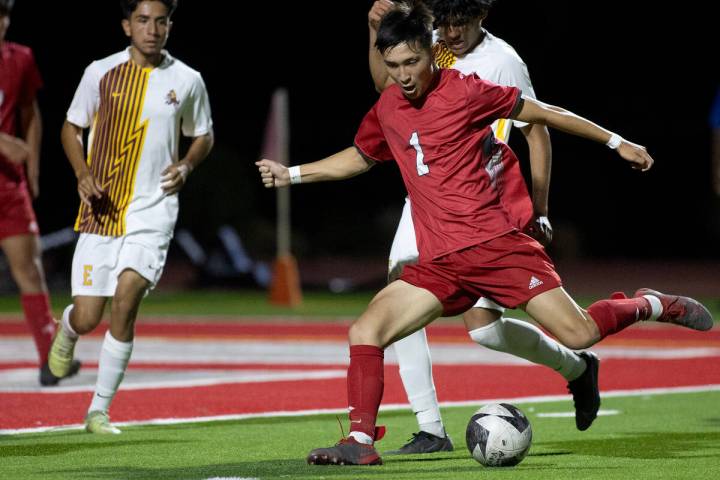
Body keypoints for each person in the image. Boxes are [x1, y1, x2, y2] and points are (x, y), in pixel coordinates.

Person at [256, 1, 714, 466]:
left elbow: (544, 116)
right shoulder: (388, 105)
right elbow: (360, 156)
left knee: (578, 333)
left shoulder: (468, 90)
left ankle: (650, 303)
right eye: (393, 66)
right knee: (366, 329)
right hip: (440, 263)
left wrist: (618, 143)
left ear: (430, 53)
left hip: (496, 246)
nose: (404, 75)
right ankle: (360, 442)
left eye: (412, 62)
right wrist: (291, 174)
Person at [367, 0, 595, 455]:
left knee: (485, 330)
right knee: (399, 286)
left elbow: (536, 128)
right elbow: (384, 89)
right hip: (427, 200)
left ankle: (577, 367)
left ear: (482, 16)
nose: (451, 33)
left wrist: (541, 208)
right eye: (445, 22)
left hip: (483, 209)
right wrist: (375, 28)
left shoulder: (503, 61)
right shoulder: (423, 48)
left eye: (462, 22)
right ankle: (430, 426)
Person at [48, 0, 213, 434]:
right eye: (143, 20)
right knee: (88, 317)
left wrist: (187, 165)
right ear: (126, 26)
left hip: (154, 209)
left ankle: (98, 411)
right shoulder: (98, 72)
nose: (152, 29)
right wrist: (82, 175)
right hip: (102, 209)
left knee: (127, 298)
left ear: (170, 26)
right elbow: (71, 127)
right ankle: (65, 330)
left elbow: (203, 134)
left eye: (160, 21)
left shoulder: (188, 80)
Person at [0, 0, 81, 386]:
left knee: (29, 269)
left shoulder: (20, 58)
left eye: (3, 16)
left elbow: (31, 113)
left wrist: (31, 166)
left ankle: (49, 358)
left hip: (8, 185)